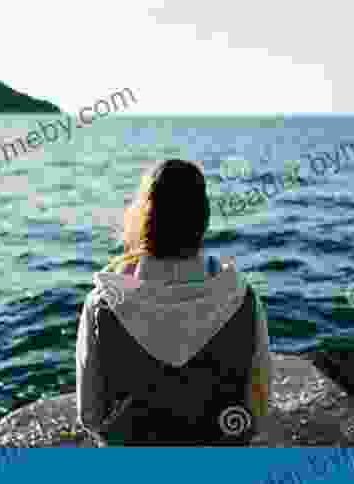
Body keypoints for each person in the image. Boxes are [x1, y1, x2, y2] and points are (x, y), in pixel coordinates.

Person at [75, 159, 272, 446]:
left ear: (145, 217)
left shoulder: (101, 304)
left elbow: (91, 415)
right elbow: (258, 409)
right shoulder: (242, 297)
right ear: (203, 218)